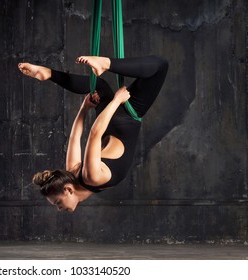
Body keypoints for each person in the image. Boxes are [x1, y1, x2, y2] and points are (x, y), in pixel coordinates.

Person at [18, 55, 168, 212]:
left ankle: (105, 63)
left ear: (68, 190)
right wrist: (84, 109)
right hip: (112, 122)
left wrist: (116, 101)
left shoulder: (92, 177)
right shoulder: (73, 173)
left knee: (160, 66)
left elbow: (95, 134)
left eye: (58, 203)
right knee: (99, 85)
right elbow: (74, 138)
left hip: (124, 120)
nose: (59, 209)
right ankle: (48, 74)